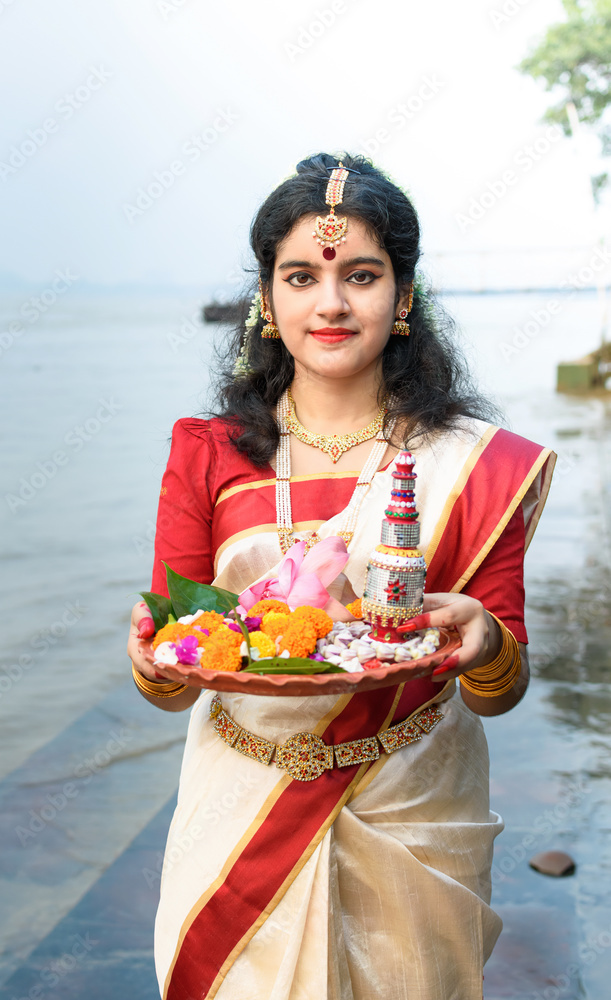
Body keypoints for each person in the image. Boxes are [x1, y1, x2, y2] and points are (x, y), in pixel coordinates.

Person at [127, 153, 556, 1000]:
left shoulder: (476, 465)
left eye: (360, 275)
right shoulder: (207, 454)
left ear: (402, 296)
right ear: (266, 296)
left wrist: (484, 642)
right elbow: (173, 677)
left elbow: (497, 692)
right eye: (300, 277)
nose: (329, 303)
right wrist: (148, 659)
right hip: (239, 815)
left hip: (413, 809)